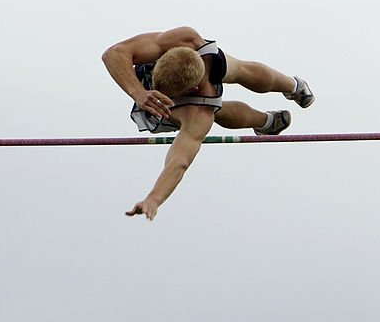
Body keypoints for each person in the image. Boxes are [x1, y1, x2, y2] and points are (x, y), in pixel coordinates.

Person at [101, 26, 314, 220]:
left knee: (239, 73)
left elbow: (179, 161)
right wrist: (138, 92)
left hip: (203, 86)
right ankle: (267, 122)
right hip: (153, 81)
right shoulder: (181, 38)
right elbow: (113, 53)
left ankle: (293, 86)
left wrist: (153, 199)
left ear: (191, 91)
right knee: (219, 105)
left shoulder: (199, 112)